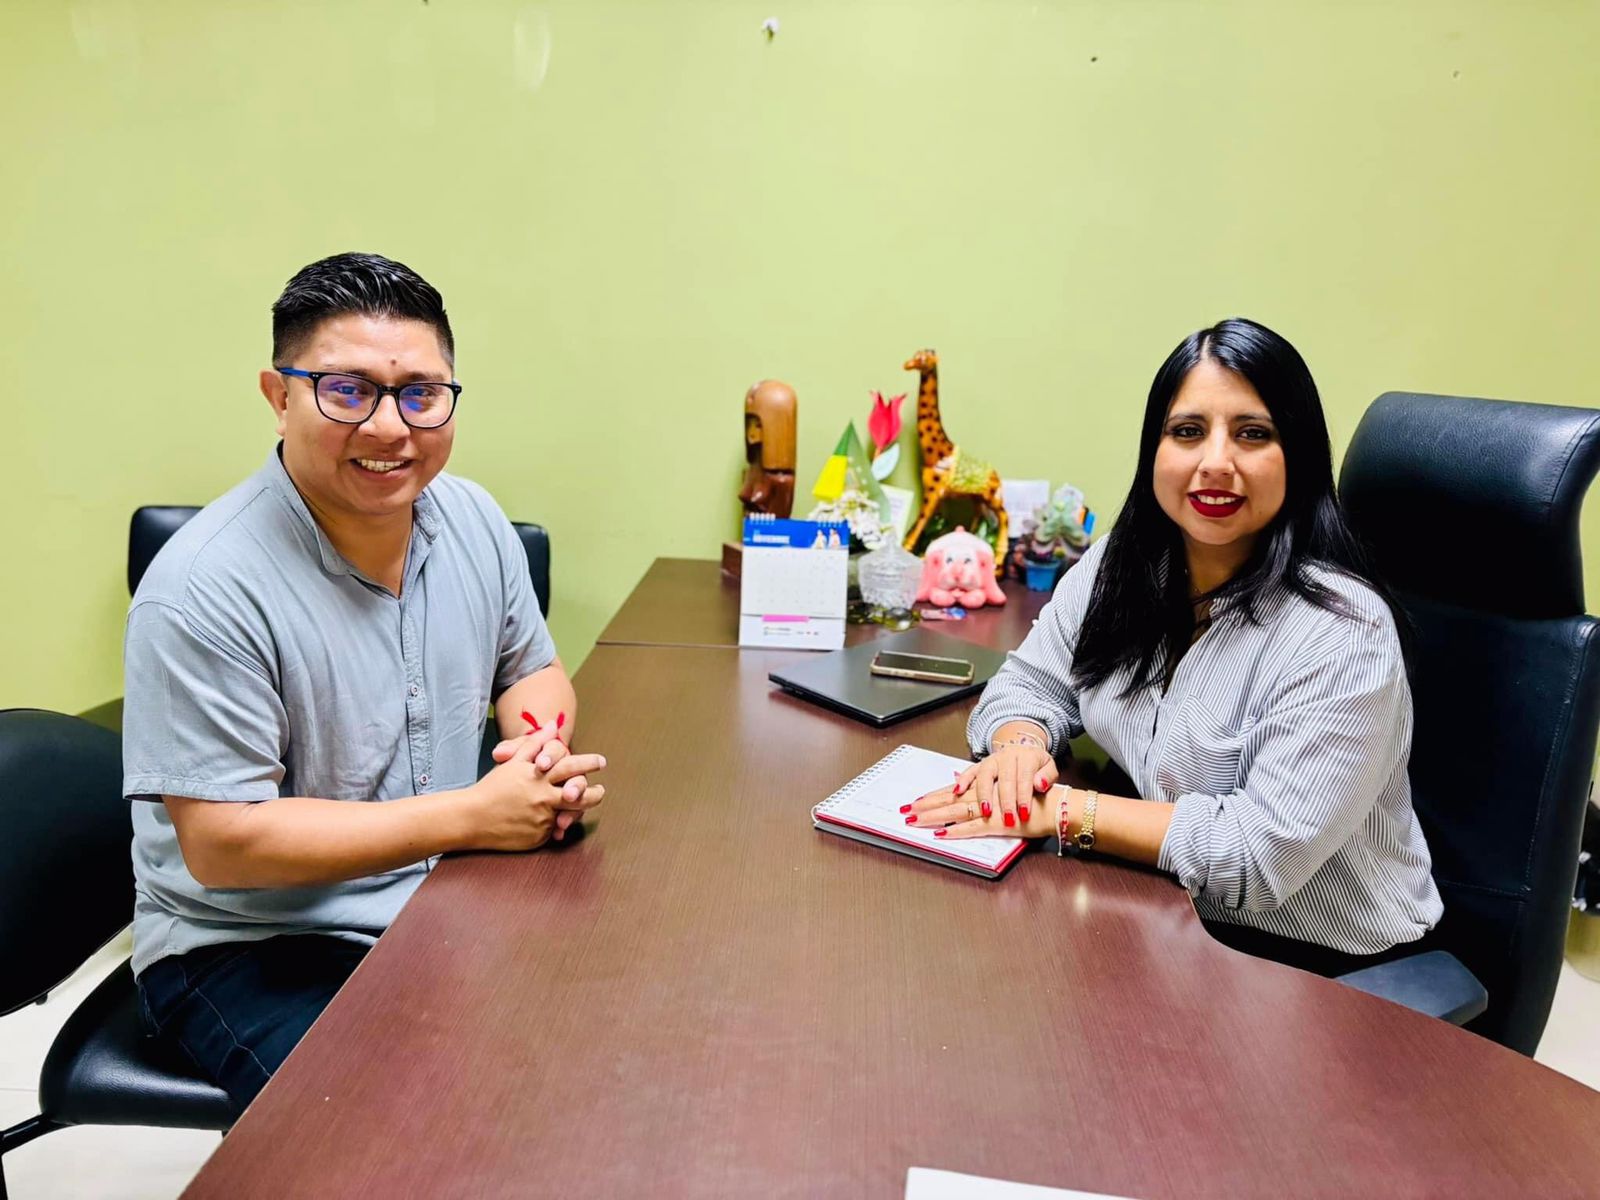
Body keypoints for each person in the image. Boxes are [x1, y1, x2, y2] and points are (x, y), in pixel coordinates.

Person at [123, 252, 607, 1112]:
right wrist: (476, 815)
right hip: (254, 942)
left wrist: (538, 755)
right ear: (279, 396)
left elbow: (530, 669)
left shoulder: (474, 519)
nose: (390, 428)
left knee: (599, 1043)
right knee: (401, 1132)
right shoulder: (202, 589)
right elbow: (225, 844)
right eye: (346, 391)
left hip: (438, 891)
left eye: (420, 394)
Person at [909, 318, 1442, 973]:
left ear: (1297, 456)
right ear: (1154, 451)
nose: (1214, 462)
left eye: (1252, 433)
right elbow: (1031, 683)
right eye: (1188, 431)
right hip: (1165, 914)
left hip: (1319, 964)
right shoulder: (1121, 566)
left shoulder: (1344, 632)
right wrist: (1018, 749)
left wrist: (1063, 810)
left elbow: (1254, 857)